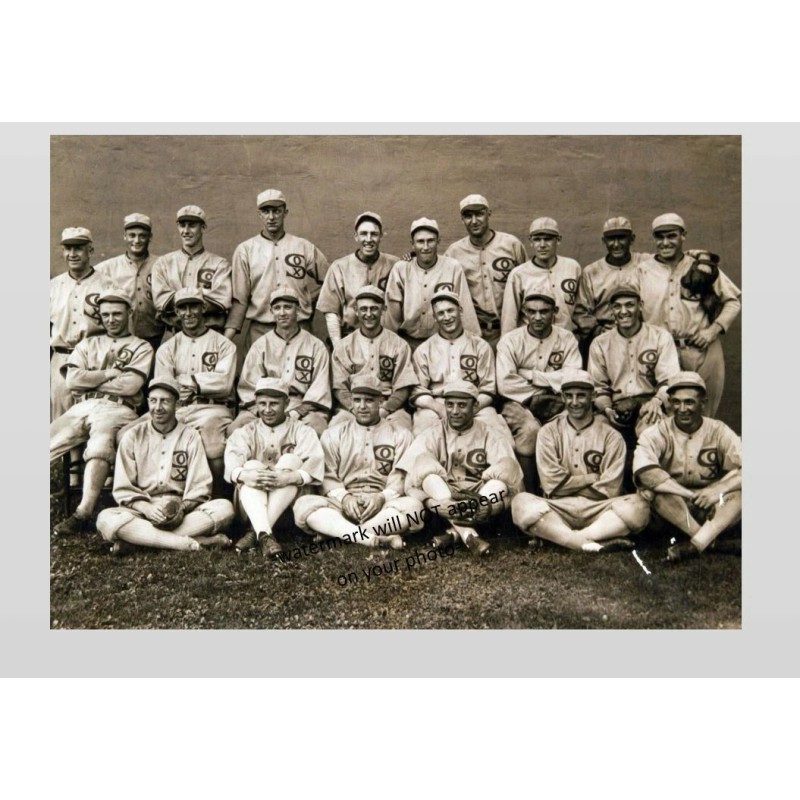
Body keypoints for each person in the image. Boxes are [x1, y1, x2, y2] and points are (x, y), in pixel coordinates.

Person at [511, 369, 650, 552]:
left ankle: (566, 539)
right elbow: (552, 484)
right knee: (520, 502)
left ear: (592, 396)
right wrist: (591, 478)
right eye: (569, 396)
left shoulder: (612, 436)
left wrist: (568, 483)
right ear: (562, 397)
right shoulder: (548, 432)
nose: (574, 402)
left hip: (599, 509)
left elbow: (608, 490)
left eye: (581, 396)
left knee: (640, 506)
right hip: (558, 508)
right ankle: (589, 543)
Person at [50, 290, 154, 535]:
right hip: (83, 406)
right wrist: (108, 374)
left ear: (129, 313)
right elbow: (72, 382)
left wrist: (89, 379)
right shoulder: (88, 343)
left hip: (119, 408)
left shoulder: (141, 346)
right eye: (106, 314)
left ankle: (82, 512)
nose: (111, 319)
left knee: (100, 446)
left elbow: (130, 386)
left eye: (117, 314)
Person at [95, 377, 235, 555]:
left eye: (165, 401)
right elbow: (124, 489)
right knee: (105, 519)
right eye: (153, 401)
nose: (158, 407)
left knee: (224, 508)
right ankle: (190, 544)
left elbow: (200, 487)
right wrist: (147, 508)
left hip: (181, 510)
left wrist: (181, 508)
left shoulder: (190, 436)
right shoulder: (133, 436)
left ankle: (139, 542)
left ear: (176, 404)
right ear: (148, 402)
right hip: (143, 510)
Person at [294, 375, 425, 550]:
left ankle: (340, 534)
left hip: (383, 506)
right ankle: (372, 538)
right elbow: (327, 474)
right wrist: (345, 497)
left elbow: (401, 476)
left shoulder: (400, 434)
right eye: (357, 400)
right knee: (303, 505)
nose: (362, 406)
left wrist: (381, 497)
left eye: (369, 400)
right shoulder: (333, 434)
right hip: (342, 505)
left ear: (381, 401)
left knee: (415, 509)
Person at [397, 380, 523, 557]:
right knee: (426, 469)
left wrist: (490, 508)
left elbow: (515, 488)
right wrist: (433, 504)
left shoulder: (491, 434)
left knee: (505, 473)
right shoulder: (432, 433)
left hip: (481, 500)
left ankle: (455, 534)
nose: (455, 411)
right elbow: (410, 486)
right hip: (444, 498)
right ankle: (469, 535)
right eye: (450, 405)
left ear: (476, 406)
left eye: (462, 405)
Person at [636, 213, 741, 417]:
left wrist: (712, 331)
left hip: (702, 349)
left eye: (671, 236)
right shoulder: (643, 270)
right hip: (660, 352)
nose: (665, 242)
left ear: (683, 236)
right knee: (664, 413)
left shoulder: (701, 267)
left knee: (704, 412)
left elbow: (732, 301)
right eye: (659, 237)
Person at [633, 371, 742, 562]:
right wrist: (690, 495)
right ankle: (708, 541)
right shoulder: (656, 432)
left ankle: (695, 544)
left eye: (689, 402)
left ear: (703, 402)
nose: (682, 409)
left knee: (742, 492)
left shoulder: (718, 429)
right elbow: (646, 474)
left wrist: (718, 490)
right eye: (676, 402)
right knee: (654, 492)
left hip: (712, 507)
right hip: (674, 507)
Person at [139, 288, 237, 494]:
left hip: (212, 408)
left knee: (213, 446)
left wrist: (190, 381)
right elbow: (165, 385)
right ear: (177, 311)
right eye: (183, 308)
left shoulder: (224, 345)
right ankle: (153, 495)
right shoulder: (167, 348)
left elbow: (224, 383)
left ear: (203, 308)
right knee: (130, 434)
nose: (189, 312)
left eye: (194, 306)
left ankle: (218, 499)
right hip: (178, 407)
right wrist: (181, 388)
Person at [224, 377, 325, 558]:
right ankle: (265, 534)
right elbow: (232, 465)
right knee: (251, 466)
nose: (267, 410)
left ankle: (256, 532)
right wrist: (247, 475)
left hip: (289, 505)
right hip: (251, 505)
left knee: (290, 461)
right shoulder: (246, 431)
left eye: (274, 404)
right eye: (262, 403)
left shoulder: (302, 430)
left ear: (286, 403)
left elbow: (314, 466)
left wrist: (288, 477)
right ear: (256, 403)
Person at [224, 189, 329, 351]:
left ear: (285, 213)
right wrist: (225, 340)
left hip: (300, 329)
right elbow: (240, 299)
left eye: (276, 211)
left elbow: (331, 282)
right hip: (261, 330)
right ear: (259, 214)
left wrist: (309, 300)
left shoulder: (303, 246)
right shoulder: (246, 250)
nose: (271, 217)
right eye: (266, 211)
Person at [496, 291, 581, 488]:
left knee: (569, 429)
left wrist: (531, 375)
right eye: (532, 312)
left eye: (544, 312)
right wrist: (538, 393)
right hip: (518, 402)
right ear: (524, 313)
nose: (537, 317)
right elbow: (506, 382)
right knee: (531, 430)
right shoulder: (510, 340)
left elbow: (573, 376)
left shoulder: (567, 338)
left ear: (555, 312)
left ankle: (562, 488)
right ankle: (530, 489)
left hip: (558, 401)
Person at [411, 289, 511, 441]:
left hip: (475, 404)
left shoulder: (480, 345)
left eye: (450, 311)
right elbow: (418, 392)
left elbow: (488, 389)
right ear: (435, 318)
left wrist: (472, 408)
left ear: (460, 311)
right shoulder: (424, 349)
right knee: (421, 437)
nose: (447, 317)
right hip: (438, 404)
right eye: (441, 313)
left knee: (502, 438)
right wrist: (440, 409)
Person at [231, 287, 331, 436]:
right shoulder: (260, 345)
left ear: (298, 309)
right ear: (271, 312)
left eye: (288, 307)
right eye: (277, 308)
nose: (282, 313)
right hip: (266, 405)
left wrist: (297, 413)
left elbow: (319, 389)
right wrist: (264, 411)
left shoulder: (316, 346)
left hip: (301, 405)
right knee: (236, 429)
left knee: (318, 427)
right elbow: (248, 387)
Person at [587, 285, 680, 439]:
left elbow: (669, 380)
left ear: (640, 306)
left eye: (629, 305)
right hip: (617, 406)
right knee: (594, 433)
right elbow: (598, 388)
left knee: (650, 433)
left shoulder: (660, 337)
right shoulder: (600, 343)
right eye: (617, 306)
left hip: (650, 402)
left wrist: (656, 402)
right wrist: (608, 410)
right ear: (611, 310)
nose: (623, 311)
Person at [443, 194, 527, 348]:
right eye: (468, 216)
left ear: (489, 214)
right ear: (462, 219)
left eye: (479, 214)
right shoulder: (454, 252)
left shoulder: (511, 245)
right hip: (473, 333)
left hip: (510, 330)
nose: (474, 221)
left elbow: (526, 287)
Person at [384, 217, 480, 350]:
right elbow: (391, 315)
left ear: (438, 241)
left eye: (430, 241)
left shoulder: (452, 267)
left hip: (444, 344)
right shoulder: (401, 269)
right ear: (412, 244)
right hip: (408, 343)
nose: (425, 247)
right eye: (420, 242)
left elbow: (465, 308)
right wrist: (387, 346)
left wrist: (473, 345)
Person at [330, 285, 417, 429]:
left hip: (388, 407)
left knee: (403, 429)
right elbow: (339, 388)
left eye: (374, 308)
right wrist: (354, 408)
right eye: (363, 309)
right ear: (356, 311)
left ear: (383, 309)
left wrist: (384, 410)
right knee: (335, 427)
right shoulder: (343, 346)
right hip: (354, 407)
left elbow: (403, 386)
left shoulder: (399, 344)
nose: (369, 314)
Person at [572, 216, 650, 363]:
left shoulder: (646, 262)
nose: (616, 244)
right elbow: (581, 313)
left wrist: (704, 259)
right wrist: (601, 333)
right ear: (604, 241)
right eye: (611, 239)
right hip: (604, 338)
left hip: (642, 337)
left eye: (621, 238)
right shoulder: (591, 271)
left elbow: (679, 258)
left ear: (632, 239)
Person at [317, 212, 400, 346]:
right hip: (350, 339)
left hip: (388, 341)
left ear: (381, 236)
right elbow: (331, 312)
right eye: (363, 234)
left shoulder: (396, 265)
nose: (369, 239)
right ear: (356, 236)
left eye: (374, 234)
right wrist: (338, 346)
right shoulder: (339, 266)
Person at [50, 226, 106, 420]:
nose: (72, 254)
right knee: (58, 421)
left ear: (90, 250)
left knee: (90, 419)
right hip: (60, 358)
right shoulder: (53, 286)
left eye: (78, 248)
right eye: (68, 248)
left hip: (93, 359)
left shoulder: (106, 284)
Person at [151, 205, 232, 333]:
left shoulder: (219, 264)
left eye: (192, 225)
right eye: (182, 225)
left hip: (211, 333)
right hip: (174, 333)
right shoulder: (163, 263)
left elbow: (220, 301)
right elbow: (161, 301)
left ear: (203, 227)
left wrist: (178, 301)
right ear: (178, 227)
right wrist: (199, 300)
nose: (186, 231)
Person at [95, 213, 164, 352]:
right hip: (118, 341)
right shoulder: (106, 268)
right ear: (124, 236)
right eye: (132, 235)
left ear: (150, 237)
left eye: (142, 235)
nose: (137, 240)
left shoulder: (163, 265)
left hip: (155, 339)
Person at [501, 217, 582, 335]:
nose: (542, 245)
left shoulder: (572, 267)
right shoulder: (519, 274)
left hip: (565, 341)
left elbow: (580, 310)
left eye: (548, 239)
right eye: (537, 239)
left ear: (558, 240)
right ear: (531, 241)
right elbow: (509, 320)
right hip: (531, 342)